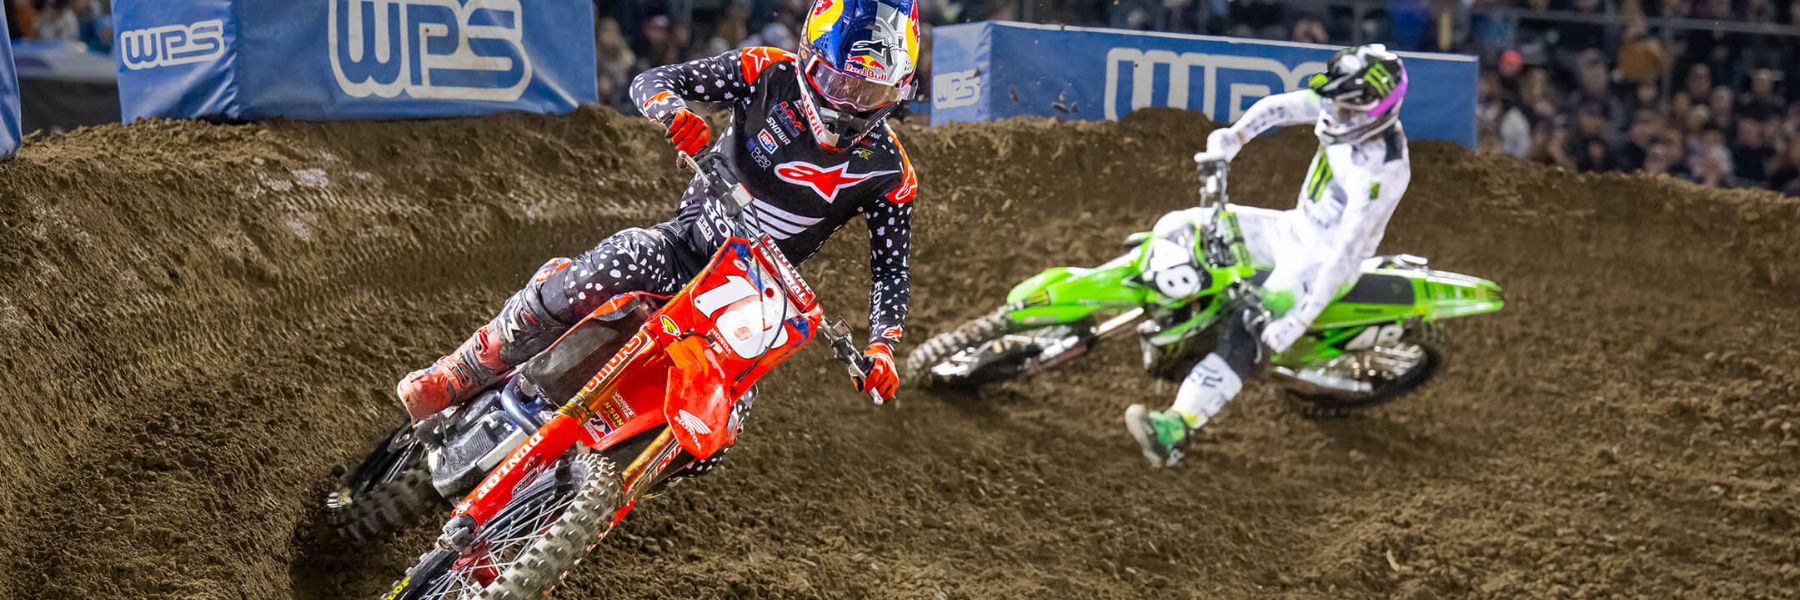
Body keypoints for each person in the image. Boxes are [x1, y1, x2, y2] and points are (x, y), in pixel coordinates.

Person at [396, 0, 920, 423]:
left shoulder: (891, 173)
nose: (850, 105)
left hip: (748, 303)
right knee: (620, 259)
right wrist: (676, 114)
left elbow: (891, 268)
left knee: (725, 415)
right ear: (809, 59)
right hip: (685, 248)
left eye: (869, 92)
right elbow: (652, 82)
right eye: (840, 84)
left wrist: (882, 346)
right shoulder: (765, 73)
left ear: (896, 93)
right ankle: (464, 369)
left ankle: (581, 496)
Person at [1125, 45, 1412, 467]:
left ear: (1378, 111)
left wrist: (1299, 318)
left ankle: (1177, 428)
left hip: (1323, 264)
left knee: (1249, 324)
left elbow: (1345, 257)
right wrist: (1233, 137)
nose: (1333, 116)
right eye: (1334, 103)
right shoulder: (1343, 103)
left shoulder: (1380, 172)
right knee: (1182, 225)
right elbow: (1279, 107)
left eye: (1347, 112)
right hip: (1293, 228)